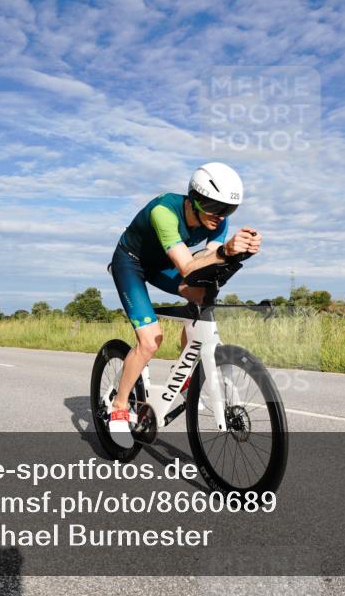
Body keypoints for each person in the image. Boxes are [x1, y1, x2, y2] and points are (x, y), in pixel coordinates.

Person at [107, 162, 261, 447]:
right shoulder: (163, 211)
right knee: (151, 341)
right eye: (213, 206)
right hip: (130, 262)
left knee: (202, 297)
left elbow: (211, 259)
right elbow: (189, 265)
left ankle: (185, 372)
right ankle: (118, 405)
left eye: (228, 209)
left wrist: (239, 254)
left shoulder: (218, 221)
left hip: (163, 265)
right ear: (194, 198)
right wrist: (226, 252)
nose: (220, 216)